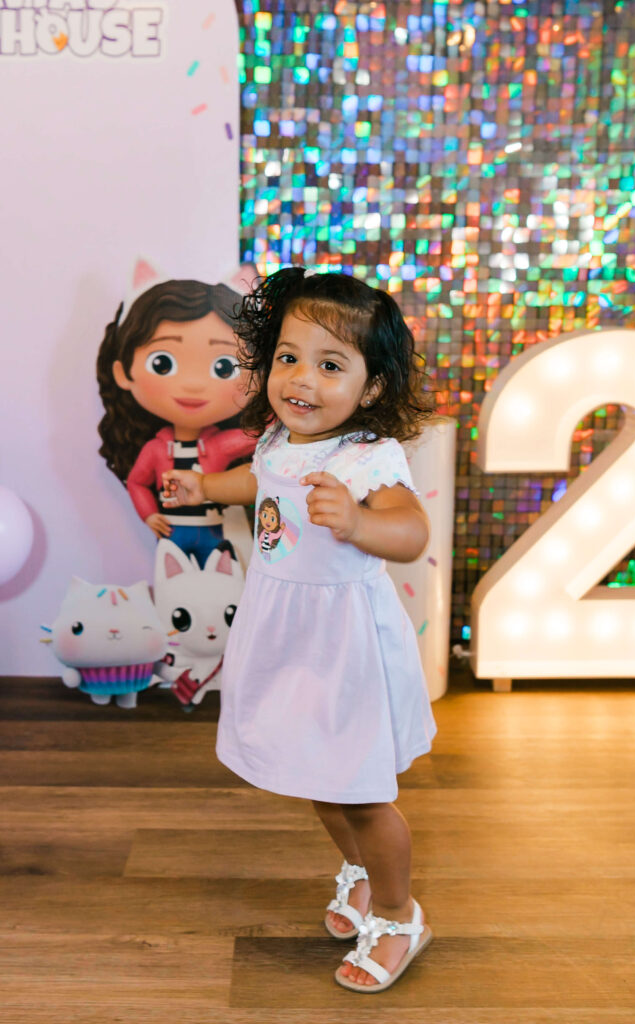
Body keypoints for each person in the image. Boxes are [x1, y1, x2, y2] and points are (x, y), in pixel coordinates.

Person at [161, 266, 437, 992]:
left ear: (370, 387)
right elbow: (261, 483)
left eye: (329, 364)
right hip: (283, 629)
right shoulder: (281, 439)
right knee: (315, 774)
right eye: (289, 357)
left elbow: (410, 532)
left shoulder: (365, 456)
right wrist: (204, 488)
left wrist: (358, 519)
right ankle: (357, 872)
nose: (300, 379)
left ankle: (400, 912)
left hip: (340, 639)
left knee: (360, 790)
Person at [97, 278, 256, 567]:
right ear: (122, 373)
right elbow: (137, 482)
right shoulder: (156, 450)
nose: (193, 384)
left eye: (223, 367)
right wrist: (148, 514)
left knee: (221, 586)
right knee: (174, 588)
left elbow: (256, 437)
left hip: (214, 530)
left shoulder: (220, 445)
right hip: (172, 531)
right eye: (162, 363)